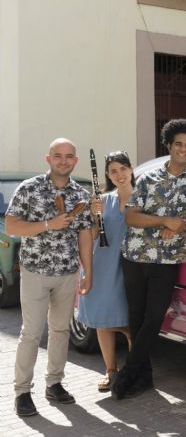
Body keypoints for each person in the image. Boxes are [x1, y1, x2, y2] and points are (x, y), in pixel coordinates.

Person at [112, 119, 186, 399]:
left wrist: (183, 223)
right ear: (169, 145)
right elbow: (131, 216)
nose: (183, 149)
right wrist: (164, 221)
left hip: (168, 259)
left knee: (155, 315)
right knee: (136, 316)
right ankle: (143, 377)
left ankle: (127, 372)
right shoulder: (148, 178)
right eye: (179, 144)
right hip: (135, 254)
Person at [6, 138, 93, 417]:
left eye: (69, 156)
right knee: (31, 333)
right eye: (58, 156)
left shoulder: (80, 194)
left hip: (67, 273)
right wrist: (48, 225)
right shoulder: (29, 188)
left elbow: (83, 235)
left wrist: (87, 271)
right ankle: (22, 391)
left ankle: (54, 383)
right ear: (48, 158)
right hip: (35, 271)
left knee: (60, 330)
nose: (63, 161)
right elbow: (11, 226)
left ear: (75, 161)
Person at [77, 151, 135, 392]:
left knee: (130, 322)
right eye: (113, 171)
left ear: (131, 169)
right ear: (108, 175)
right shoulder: (103, 200)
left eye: (123, 169)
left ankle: (133, 371)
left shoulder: (143, 198)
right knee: (102, 319)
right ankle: (111, 370)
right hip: (103, 264)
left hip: (131, 265)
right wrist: (92, 215)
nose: (119, 175)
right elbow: (90, 237)